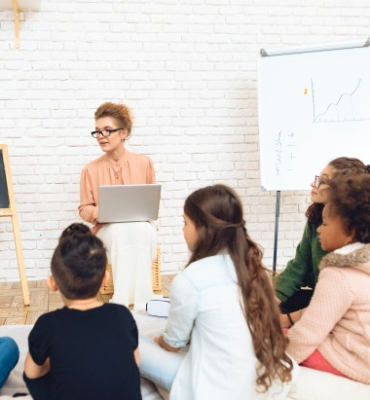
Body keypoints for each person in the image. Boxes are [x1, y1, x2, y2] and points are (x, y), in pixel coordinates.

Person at [139, 184, 299, 400]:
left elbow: (173, 344)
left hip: (210, 387)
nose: (183, 230)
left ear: (203, 228)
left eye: (185, 223)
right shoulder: (252, 270)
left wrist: (158, 339)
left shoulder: (189, 279)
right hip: (254, 379)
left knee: (131, 338)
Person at [23, 223, 142, 400]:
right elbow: (135, 363)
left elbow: (32, 374)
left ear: (52, 283)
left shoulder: (48, 324)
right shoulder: (122, 315)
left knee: (36, 371)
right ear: (105, 279)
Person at [287, 173, 370, 383]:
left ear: (349, 232)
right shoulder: (363, 263)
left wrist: (278, 365)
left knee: (273, 339)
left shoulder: (337, 274)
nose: (319, 229)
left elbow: (307, 335)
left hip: (355, 362)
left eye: (325, 223)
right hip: (362, 353)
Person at [78, 102, 157, 309]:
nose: (101, 136)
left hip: (140, 225)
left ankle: (143, 300)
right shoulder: (90, 170)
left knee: (140, 230)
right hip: (106, 228)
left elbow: (150, 201)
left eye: (108, 130)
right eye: (97, 132)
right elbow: (84, 208)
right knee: (120, 232)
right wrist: (101, 212)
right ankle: (122, 300)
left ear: (124, 132)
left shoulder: (145, 163)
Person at [275, 157, 369, 328]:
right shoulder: (316, 218)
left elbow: (335, 299)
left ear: (343, 189)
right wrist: (271, 300)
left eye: (323, 181)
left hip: (345, 306)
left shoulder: (357, 231)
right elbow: (298, 267)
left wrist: (287, 320)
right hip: (322, 295)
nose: (313, 184)